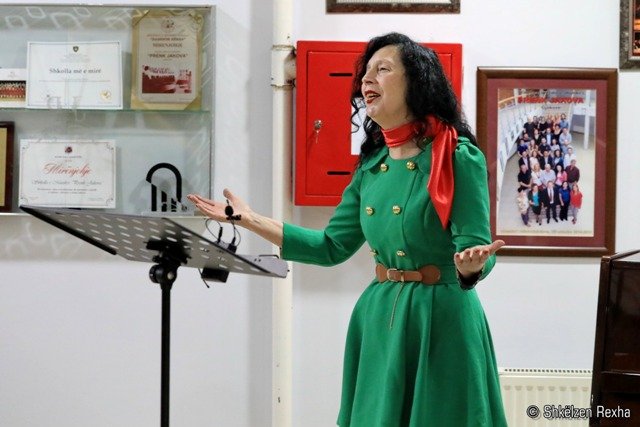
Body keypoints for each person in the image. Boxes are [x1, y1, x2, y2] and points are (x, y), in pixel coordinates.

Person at [189, 32, 507, 426]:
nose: (367, 80)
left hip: (440, 320)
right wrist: (249, 218)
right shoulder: (372, 166)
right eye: (366, 72)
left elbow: (477, 250)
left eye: (382, 69)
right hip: (380, 316)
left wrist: (472, 266)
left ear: (417, 82)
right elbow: (330, 247)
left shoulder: (457, 156)